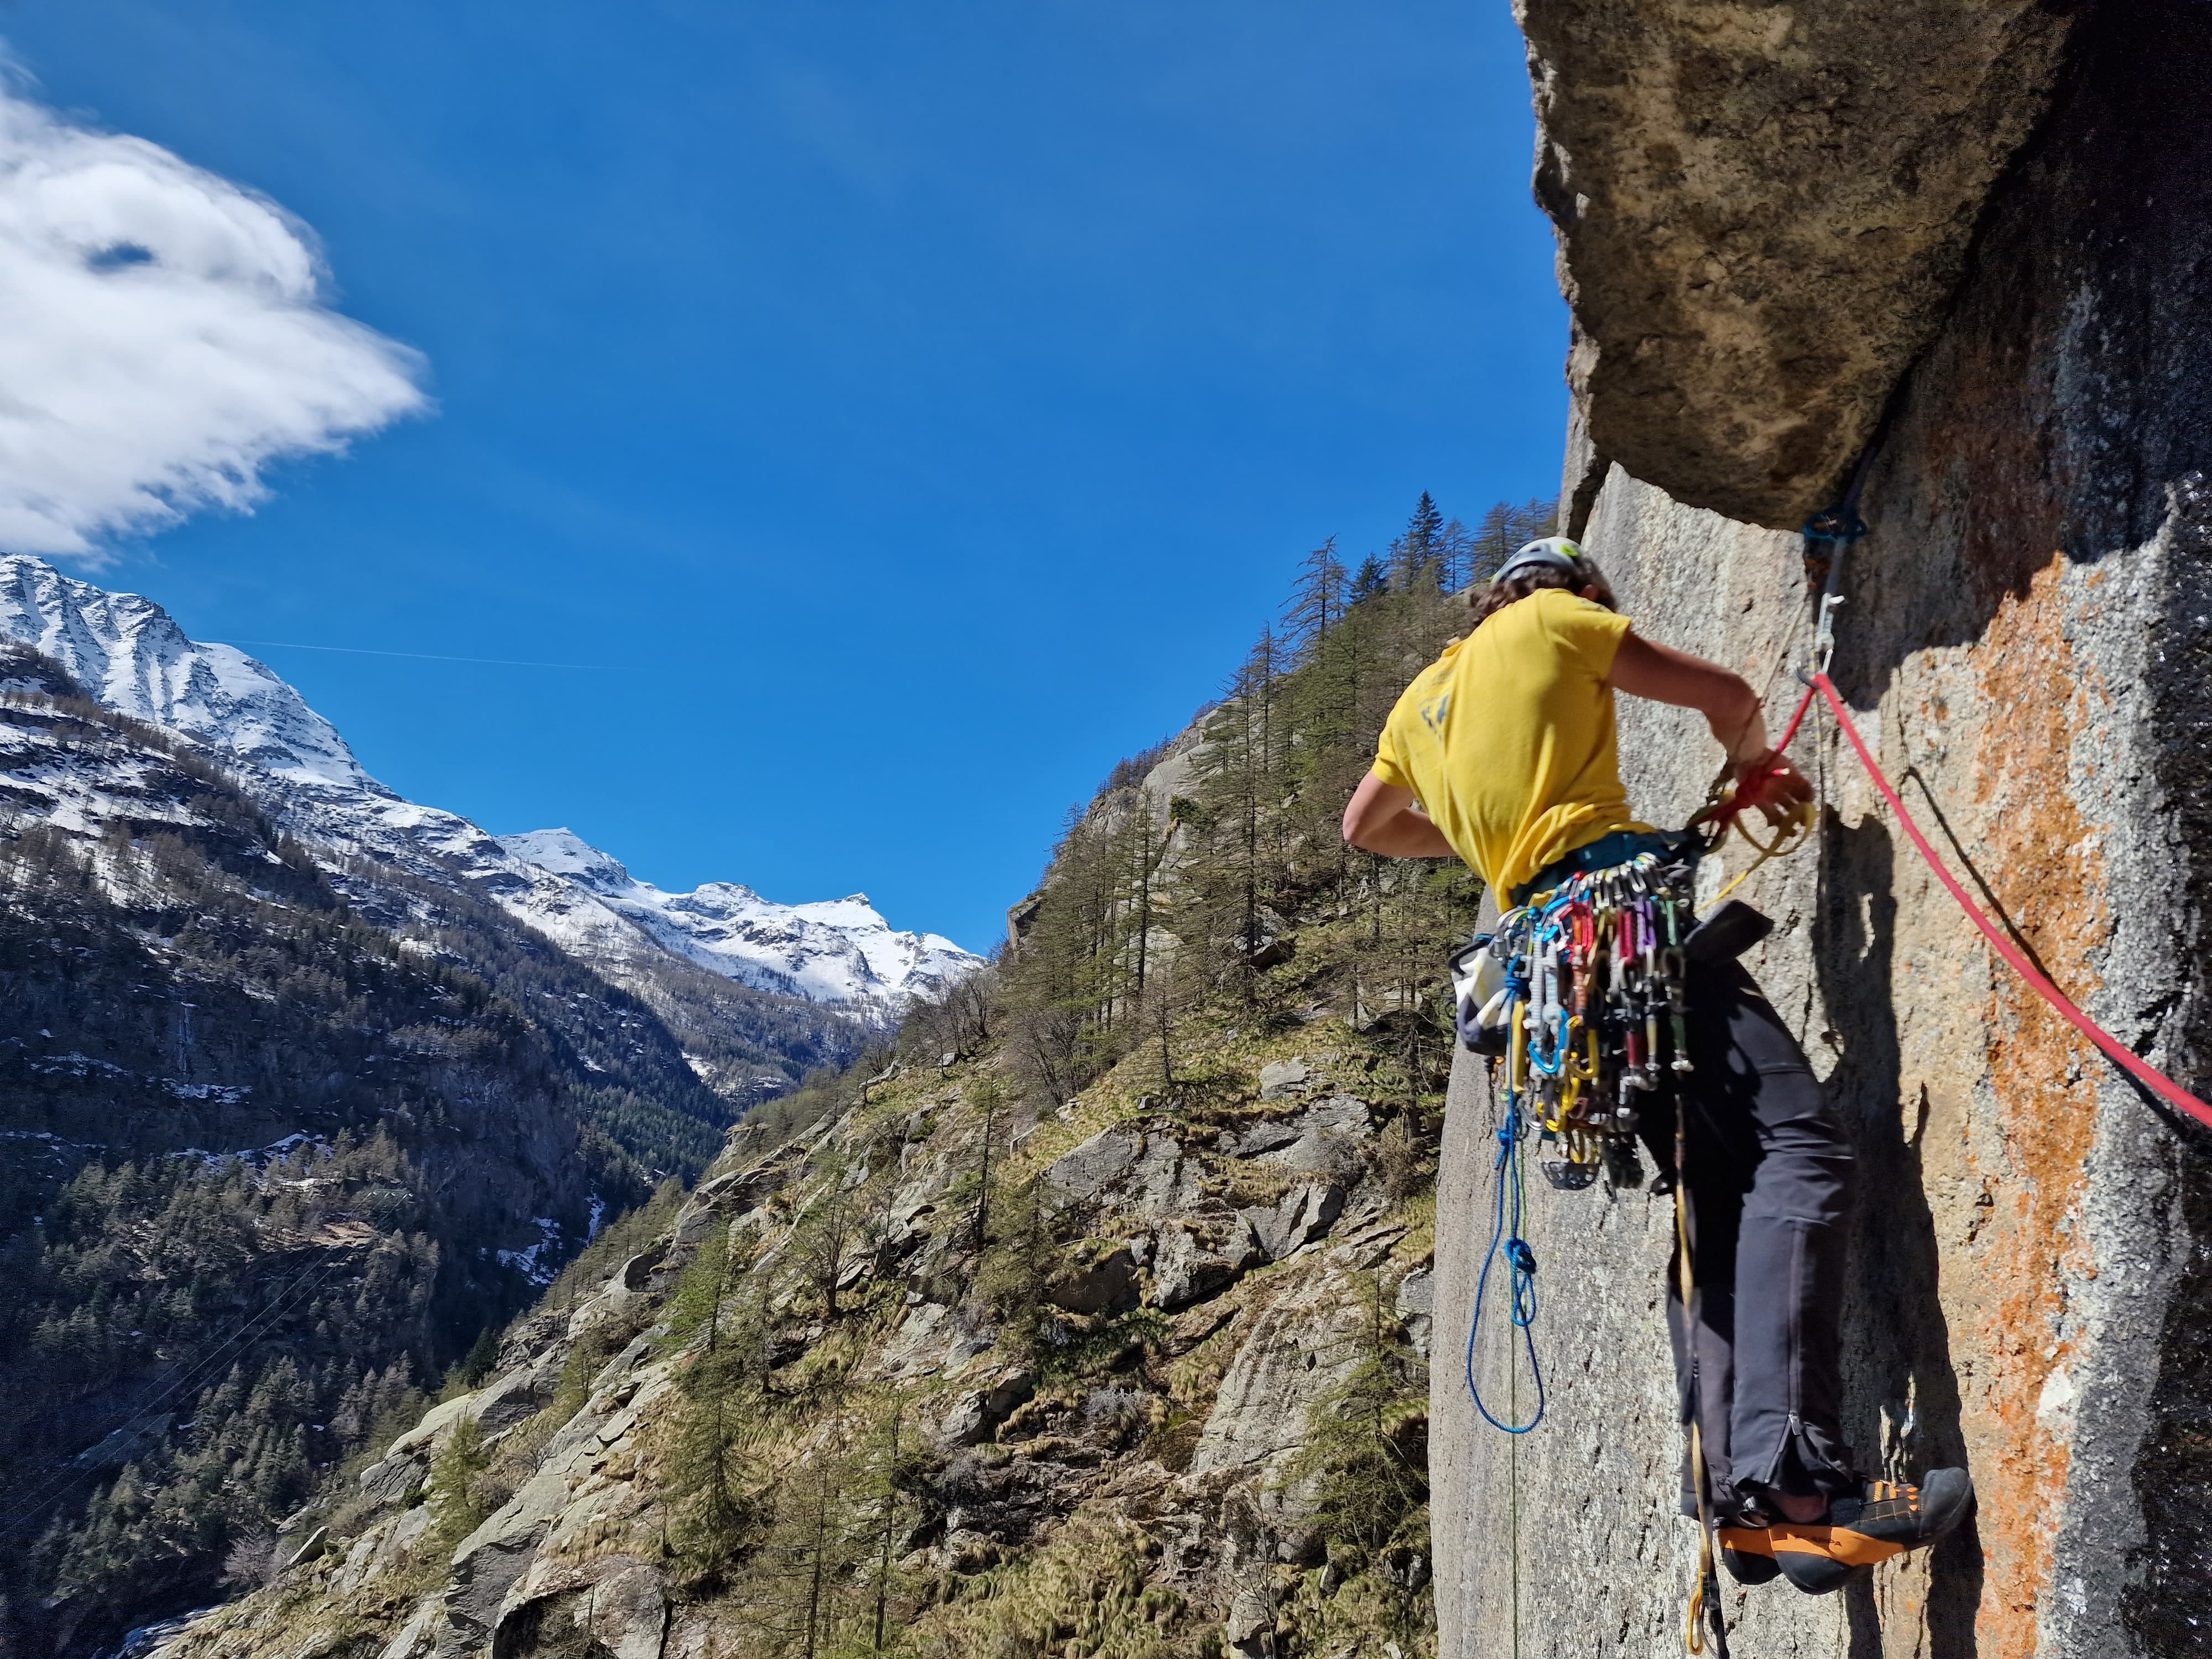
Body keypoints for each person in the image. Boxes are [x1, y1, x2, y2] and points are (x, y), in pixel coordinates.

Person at [1341, 536, 1973, 1596]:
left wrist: (1486, 831)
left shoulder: (1423, 699)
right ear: (1581, 592)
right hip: (1617, 932)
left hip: (1552, 972)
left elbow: (1366, 827)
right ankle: (1801, 1495)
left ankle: (1737, 1502)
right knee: (1799, 1156)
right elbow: (1723, 695)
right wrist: (1758, 764)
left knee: (1719, 1204)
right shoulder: (1557, 620)